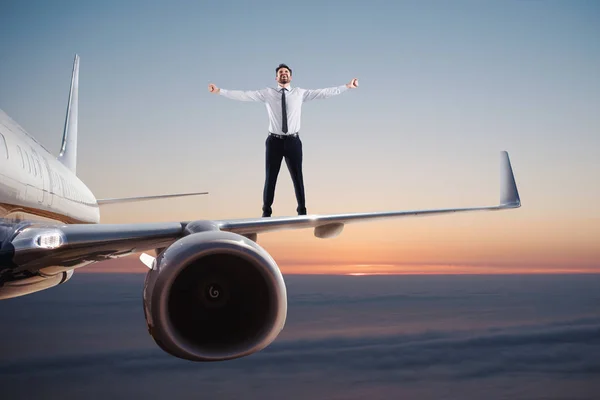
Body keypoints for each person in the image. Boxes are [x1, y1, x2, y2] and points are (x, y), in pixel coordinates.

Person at [208, 63, 358, 217]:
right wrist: (220, 91)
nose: (283, 73)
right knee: (270, 177)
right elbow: (244, 95)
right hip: (274, 142)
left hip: (293, 141)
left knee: (298, 177)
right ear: (276, 77)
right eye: (281, 72)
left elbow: (323, 93)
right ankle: (266, 213)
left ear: (290, 77)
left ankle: (302, 212)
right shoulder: (268, 93)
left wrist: (347, 86)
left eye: (286, 72)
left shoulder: (299, 93)